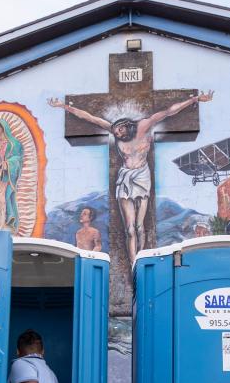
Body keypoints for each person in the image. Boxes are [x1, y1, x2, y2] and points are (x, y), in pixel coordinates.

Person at [49, 91, 214, 261]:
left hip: (142, 176)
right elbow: (91, 118)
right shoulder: (114, 131)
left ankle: (140, 259)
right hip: (125, 177)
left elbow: (169, 112)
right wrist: (63, 106)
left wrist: (194, 100)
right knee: (129, 229)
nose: (118, 133)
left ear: (128, 125)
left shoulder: (144, 125)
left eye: (120, 129)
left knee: (140, 226)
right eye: (116, 132)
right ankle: (133, 260)